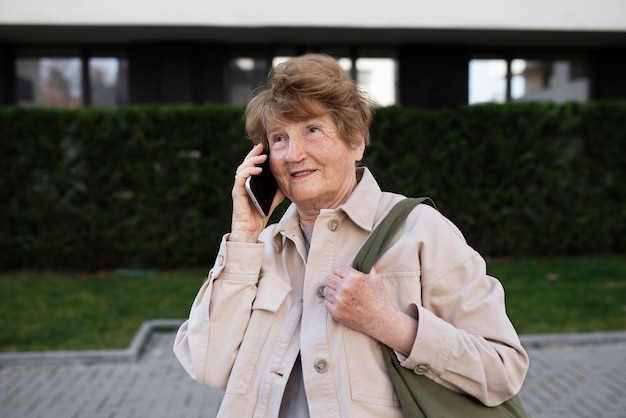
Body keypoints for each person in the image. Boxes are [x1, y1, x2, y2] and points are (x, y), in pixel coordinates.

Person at [174, 53, 529, 418]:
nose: (294, 154)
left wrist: (391, 325)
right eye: (279, 138)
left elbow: (502, 369)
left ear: (355, 140)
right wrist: (243, 239)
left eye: (312, 129)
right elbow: (206, 365)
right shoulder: (256, 251)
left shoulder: (421, 231)